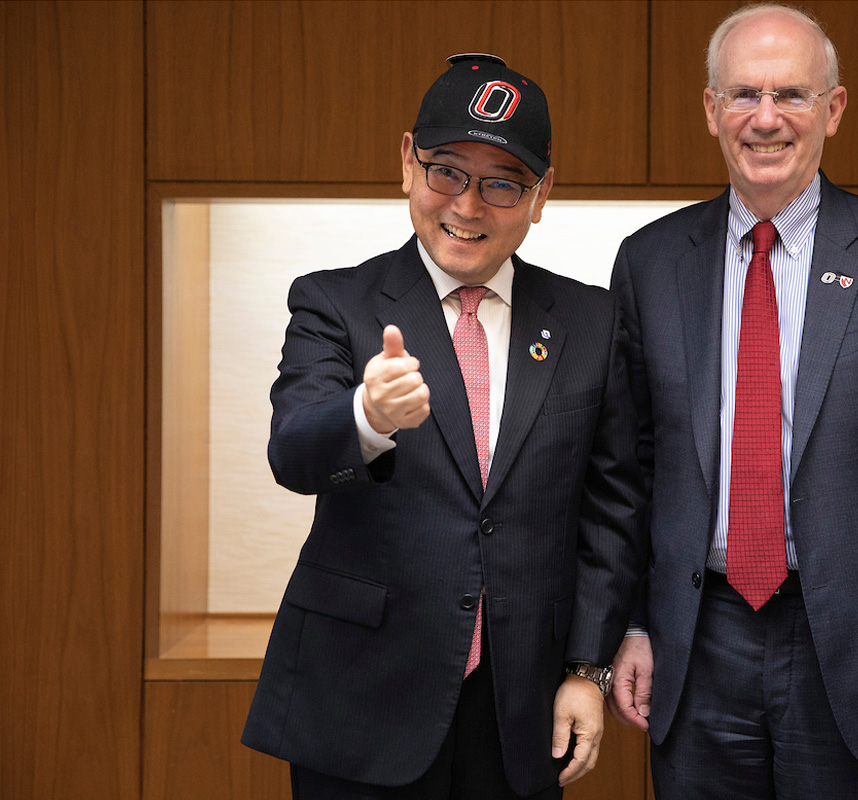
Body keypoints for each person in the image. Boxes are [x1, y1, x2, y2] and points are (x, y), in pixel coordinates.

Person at [606, 5, 858, 799]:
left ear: (834, 108)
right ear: (711, 109)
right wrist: (632, 624)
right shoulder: (649, 262)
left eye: (791, 94)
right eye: (744, 94)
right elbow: (630, 466)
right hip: (698, 636)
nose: (766, 118)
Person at [242, 54, 645, 800]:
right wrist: (368, 418)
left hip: (520, 708)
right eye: (447, 171)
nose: (467, 204)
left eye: (502, 183)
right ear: (406, 161)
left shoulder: (592, 322)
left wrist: (587, 669)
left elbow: (613, 511)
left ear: (541, 195)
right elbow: (293, 453)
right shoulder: (335, 303)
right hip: (361, 697)